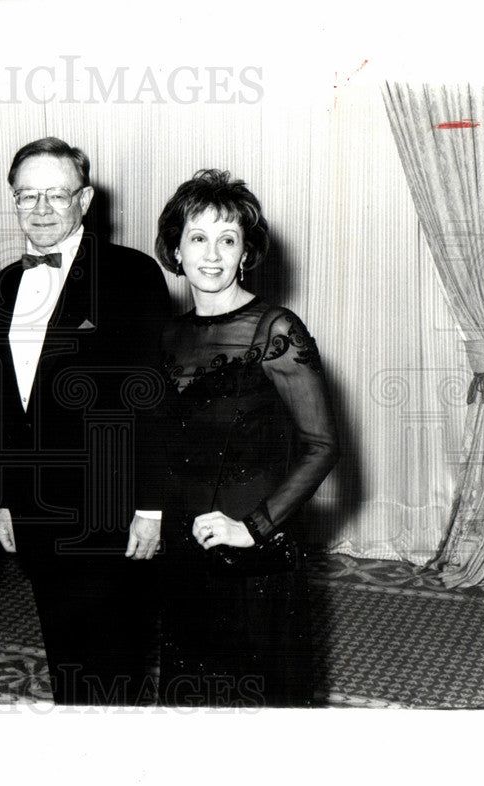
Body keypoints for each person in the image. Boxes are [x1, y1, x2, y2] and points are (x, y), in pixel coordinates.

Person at [148, 169, 340, 707]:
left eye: (228, 239)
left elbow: (322, 446)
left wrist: (253, 529)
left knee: (258, 702)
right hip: (184, 540)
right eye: (198, 238)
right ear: (176, 250)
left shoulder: (274, 328)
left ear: (246, 252)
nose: (212, 254)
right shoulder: (169, 335)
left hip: (253, 538)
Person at [0, 137, 171, 705]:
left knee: (115, 659)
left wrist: (151, 505)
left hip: (111, 506)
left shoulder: (131, 274)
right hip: (35, 507)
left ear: (86, 199)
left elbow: (153, 396)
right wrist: (3, 498)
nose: (41, 209)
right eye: (27, 196)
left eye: (56, 194)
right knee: (66, 653)